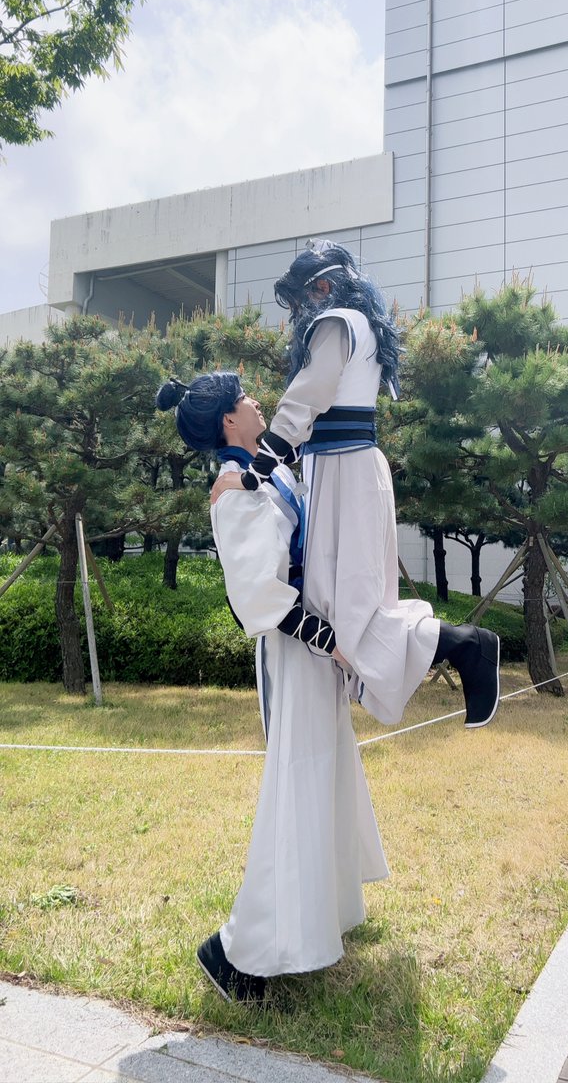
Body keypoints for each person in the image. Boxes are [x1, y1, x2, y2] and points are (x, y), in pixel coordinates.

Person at [156, 372, 388, 1003]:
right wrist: (328, 639)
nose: (256, 400)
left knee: (325, 774)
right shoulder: (231, 491)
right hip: (292, 650)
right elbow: (257, 595)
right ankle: (235, 952)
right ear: (229, 421)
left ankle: (320, 917)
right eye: (244, 398)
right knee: (297, 786)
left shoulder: (266, 468)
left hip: (313, 646)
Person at [211, 241, 500, 729]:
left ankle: (465, 644)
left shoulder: (336, 323)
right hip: (347, 469)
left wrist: (251, 475)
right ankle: (458, 644)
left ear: (324, 285)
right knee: (353, 610)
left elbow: (303, 403)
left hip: (345, 473)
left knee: (350, 615)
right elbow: (324, 415)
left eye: (302, 297)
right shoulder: (361, 326)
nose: (300, 310)